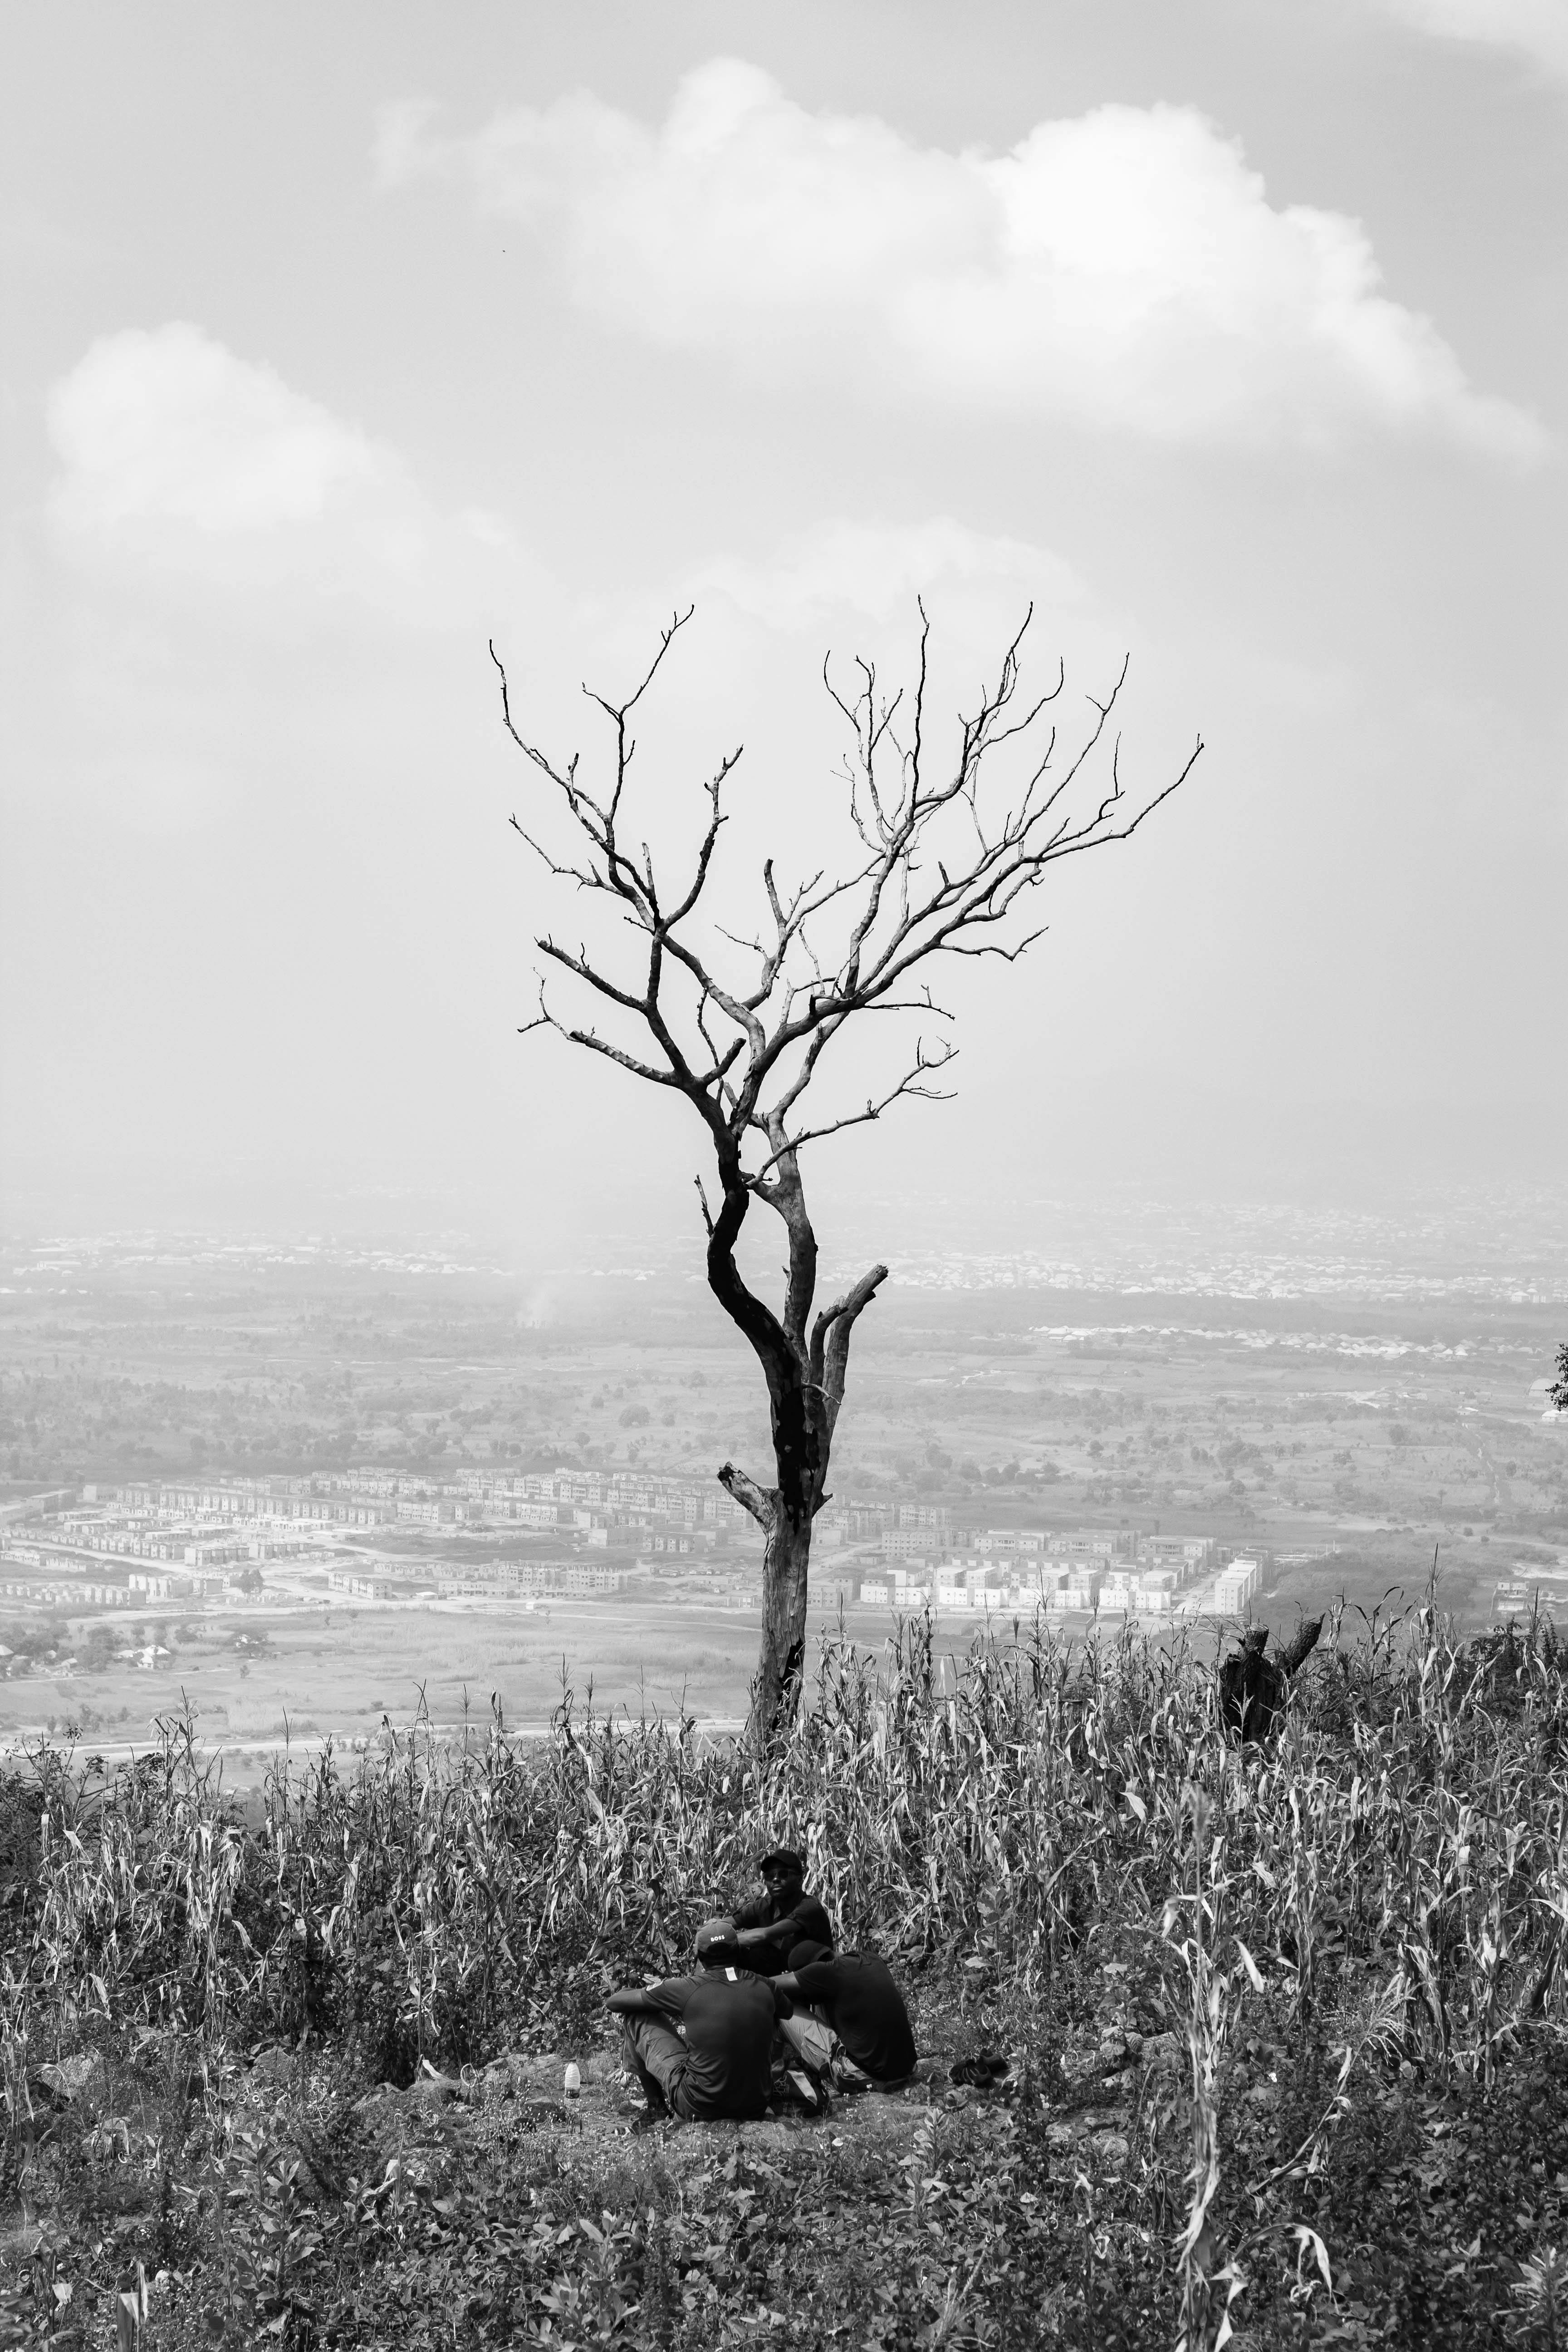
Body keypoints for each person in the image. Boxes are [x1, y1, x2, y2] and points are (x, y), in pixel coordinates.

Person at [608, 1918, 783, 2124]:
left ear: (699, 1957)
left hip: (698, 2105)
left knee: (636, 2015)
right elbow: (786, 2011)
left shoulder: (686, 1988)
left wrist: (649, 1998)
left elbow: (614, 2002)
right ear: (739, 1951)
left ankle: (656, 2107)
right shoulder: (766, 1985)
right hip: (756, 2106)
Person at [773, 1940, 918, 2088]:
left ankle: (773, 2080)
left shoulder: (824, 1972)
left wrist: (791, 1985)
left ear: (813, 1966)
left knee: (780, 2012)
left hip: (865, 2075)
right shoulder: (871, 1958)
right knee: (820, 1998)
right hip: (907, 2069)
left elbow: (765, 1984)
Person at [729, 1848, 834, 1978]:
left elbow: (765, 1935)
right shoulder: (766, 1905)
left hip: (814, 1979)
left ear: (800, 1880)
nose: (775, 1879)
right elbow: (726, 1923)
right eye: (769, 1876)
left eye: (783, 1874)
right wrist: (709, 1936)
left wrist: (721, 1941)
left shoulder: (810, 1907)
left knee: (747, 1949)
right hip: (782, 1973)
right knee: (738, 1954)